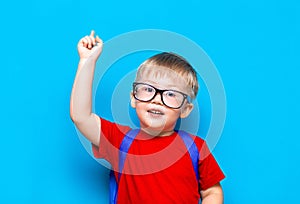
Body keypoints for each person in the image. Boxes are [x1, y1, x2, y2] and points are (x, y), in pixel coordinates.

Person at [70, 30, 225, 204]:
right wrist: (87, 61)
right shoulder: (120, 140)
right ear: (133, 98)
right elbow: (81, 116)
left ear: (185, 109)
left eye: (171, 94)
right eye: (149, 89)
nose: (158, 100)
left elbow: (212, 191)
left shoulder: (196, 148)